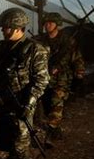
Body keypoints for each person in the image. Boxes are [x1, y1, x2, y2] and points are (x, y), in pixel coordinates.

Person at [0, 7, 49, 159]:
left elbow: (41, 81)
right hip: (2, 99)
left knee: (20, 141)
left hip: (22, 101)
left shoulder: (35, 49)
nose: (2, 30)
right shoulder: (0, 48)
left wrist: (28, 105)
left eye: (5, 27)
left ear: (17, 27)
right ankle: (12, 157)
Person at [36, 12, 85, 145]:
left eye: (50, 23)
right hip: (45, 79)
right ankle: (56, 130)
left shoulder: (68, 41)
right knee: (47, 107)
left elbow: (77, 59)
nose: (47, 25)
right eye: (46, 23)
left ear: (57, 24)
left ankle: (49, 136)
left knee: (56, 104)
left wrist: (79, 74)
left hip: (62, 79)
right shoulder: (41, 41)